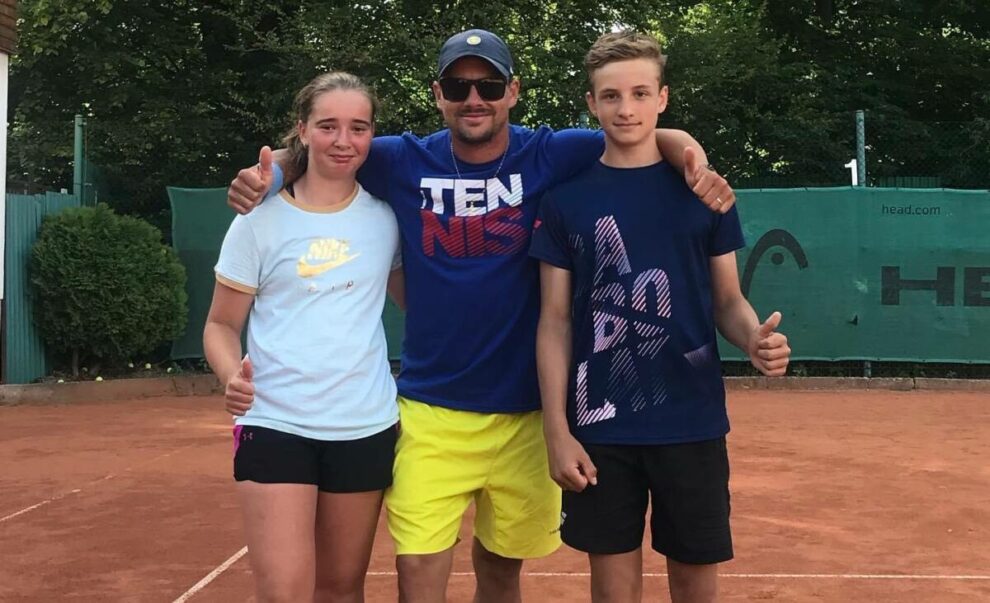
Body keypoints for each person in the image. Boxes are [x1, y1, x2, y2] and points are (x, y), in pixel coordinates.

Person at [226, 29, 737, 603]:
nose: (474, 99)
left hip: (526, 414)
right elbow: (329, 145)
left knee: (500, 571)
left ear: (512, 92)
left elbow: (636, 132)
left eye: (489, 86)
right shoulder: (401, 159)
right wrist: (270, 174)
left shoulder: (552, 152)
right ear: (437, 94)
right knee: (419, 576)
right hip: (430, 409)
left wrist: (691, 155)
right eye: (458, 86)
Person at [530, 31, 791, 603]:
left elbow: (728, 301)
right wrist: (557, 430)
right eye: (611, 95)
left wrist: (753, 338)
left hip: (692, 421)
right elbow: (554, 321)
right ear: (592, 103)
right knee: (612, 588)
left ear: (663, 98)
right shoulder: (564, 201)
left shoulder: (706, 193)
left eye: (640, 93)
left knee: (695, 582)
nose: (626, 108)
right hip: (600, 426)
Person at [203, 71, 404, 602]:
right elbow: (220, 324)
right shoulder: (257, 221)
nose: (343, 140)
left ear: (373, 134)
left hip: (364, 426)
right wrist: (231, 376)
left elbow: (420, 303)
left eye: (358, 127)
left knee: (341, 589)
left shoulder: (387, 218)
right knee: (284, 591)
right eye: (328, 125)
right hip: (275, 422)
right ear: (303, 129)